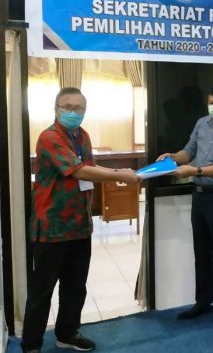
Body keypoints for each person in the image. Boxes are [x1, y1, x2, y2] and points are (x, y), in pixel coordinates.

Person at [23, 87, 140, 353]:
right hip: (52, 227)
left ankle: (67, 333)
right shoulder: (49, 137)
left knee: (75, 287)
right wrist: (119, 175)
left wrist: (118, 171)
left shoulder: (82, 135)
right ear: (56, 109)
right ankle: (31, 345)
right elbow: (78, 171)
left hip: (79, 225)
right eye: (68, 107)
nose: (73, 112)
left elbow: (90, 168)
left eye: (79, 108)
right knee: (42, 291)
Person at [157, 83, 213, 329]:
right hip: (199, 197)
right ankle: (203, 302)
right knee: (202, 253)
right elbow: (189, 151)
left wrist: (194, 171)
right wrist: (173, 157)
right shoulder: (202, 123)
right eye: (212, 103)